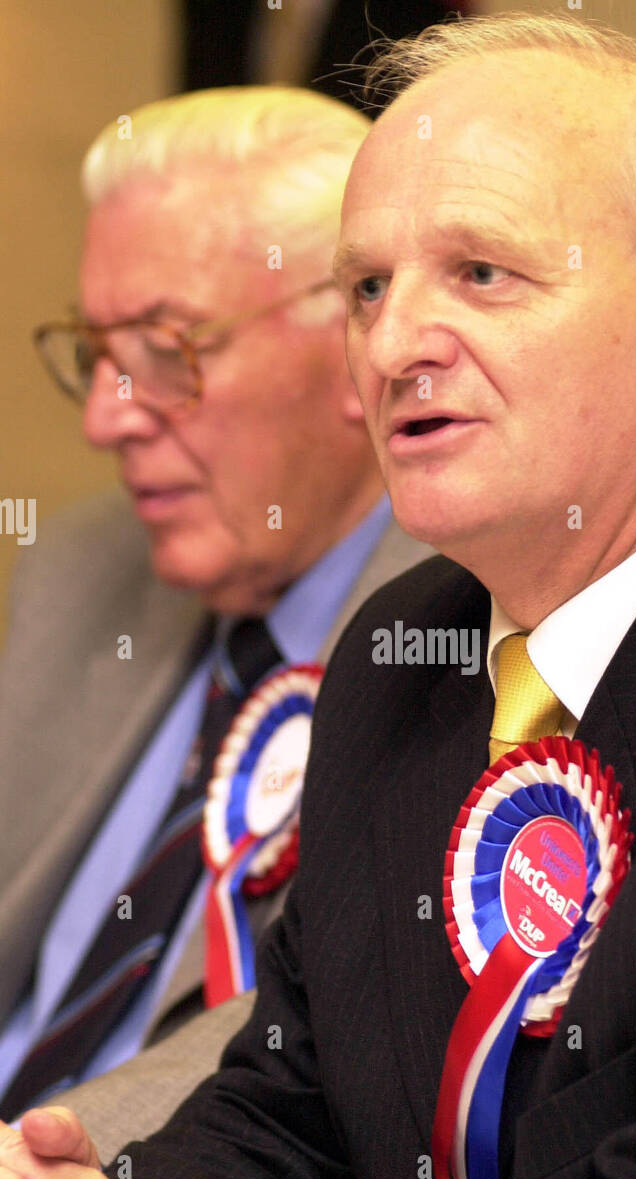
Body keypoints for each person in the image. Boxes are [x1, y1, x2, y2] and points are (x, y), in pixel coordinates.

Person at [0, 12, 636, 1179]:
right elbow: (293, 1127)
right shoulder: (401, 665)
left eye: (483, 274)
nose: (394, 346)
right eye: (366, 288)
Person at [0, 86, 429, 1123]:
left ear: (354, 347)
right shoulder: (81, 566)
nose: (109, 416)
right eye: (97, 352)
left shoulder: (466, 637)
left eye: (165, 348)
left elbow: (301, 1060)